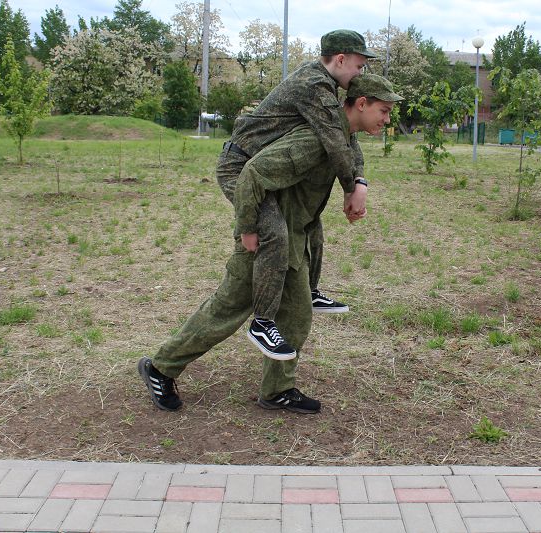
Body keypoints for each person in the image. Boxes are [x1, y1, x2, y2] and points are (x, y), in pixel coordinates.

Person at [138, 74, 403, 415]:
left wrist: (357, 186)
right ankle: (160, 368)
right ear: (361, 104)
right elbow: (252, 174)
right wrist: (248, 228)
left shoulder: (340, 136)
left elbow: (352, 158)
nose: (387, 119)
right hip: (266, 241)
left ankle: (278, 390)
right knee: (227, 310)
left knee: (296, 315)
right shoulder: (313, 140)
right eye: (384, 111)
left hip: (293, 237)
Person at [217, 29, 375, 361]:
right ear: (341, 59)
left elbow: (347, 138)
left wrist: (359, 181)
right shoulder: (314, 85)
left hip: (266, 169)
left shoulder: (326, 85)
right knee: (274, 234)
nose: (360, 74)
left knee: (310, 222)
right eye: (359, 66)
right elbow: (336, 142)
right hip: (241, 167)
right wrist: (352, 188)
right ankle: (262, 323)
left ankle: (310, 291)